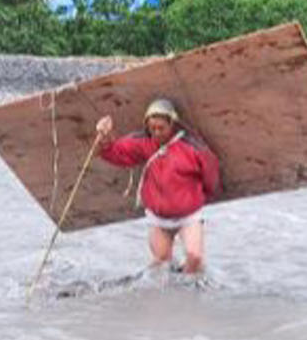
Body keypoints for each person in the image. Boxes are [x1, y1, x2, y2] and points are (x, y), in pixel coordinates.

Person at [94, 98, 220, 275]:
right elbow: (113, 153)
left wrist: (199, 197)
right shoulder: (144, 142)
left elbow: (211, 174)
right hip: (159, 218)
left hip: (188, 216)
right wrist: (104, 137)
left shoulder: (194, 147)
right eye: (152, 128)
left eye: (162, 128)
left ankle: (188, 295)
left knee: (195, 257)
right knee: (161, 263)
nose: (157, 133)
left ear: (173, 125)